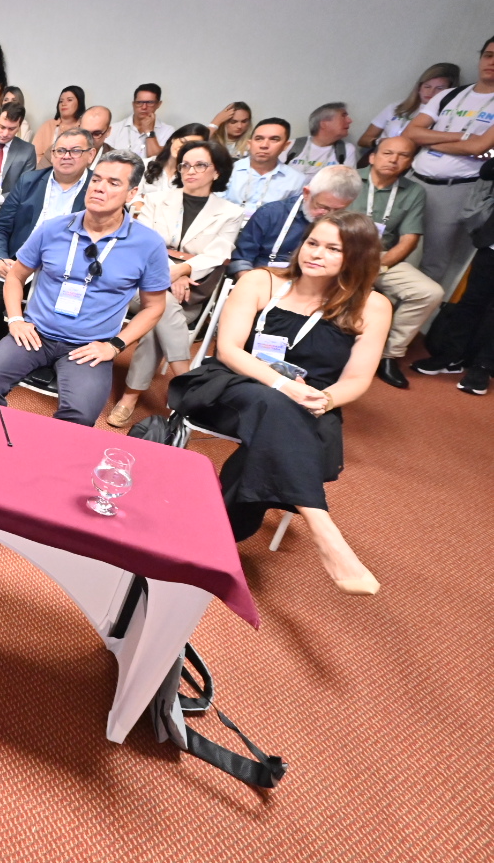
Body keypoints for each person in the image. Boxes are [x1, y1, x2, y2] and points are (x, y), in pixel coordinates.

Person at [167, 211, 390, 595]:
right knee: (271, 403)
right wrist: (284, 386)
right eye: (313, 243)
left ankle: (214, 533)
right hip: (233, 386)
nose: (316, 253)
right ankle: (323, 528)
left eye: (333, 249)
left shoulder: (373, 306)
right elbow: (230, 349)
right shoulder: (260, 281)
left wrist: (326, 398)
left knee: (276, 428)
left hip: (308, 403)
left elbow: (357, 379)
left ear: (357, 256)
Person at [0, 149, 170, 426]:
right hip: (36, 334)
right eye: (96, 179)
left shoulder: (148, 244)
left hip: (88, 347)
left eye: (113, 183)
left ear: (132, 194)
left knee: (80, 415)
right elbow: (15, 277)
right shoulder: (53, 228)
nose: (99, 187)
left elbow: (154, 307)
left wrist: (114, 346)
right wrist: (15, 319)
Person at [107, 140, 245, 427]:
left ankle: (130, 397)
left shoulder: (231, 213)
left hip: (189, 295)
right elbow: (146, 244)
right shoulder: (156, 200)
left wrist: (182, 270)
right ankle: (186, 377)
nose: (190, 171)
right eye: (185, 165)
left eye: (200, 165)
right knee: (161, 305)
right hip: (140, 286)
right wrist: (174, 273)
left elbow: (217, 254)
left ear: (217, 171)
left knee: (157, 318)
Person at [0, 129, 97, 346]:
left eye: (75, 151)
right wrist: (0, 258)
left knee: (64, 315)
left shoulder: (97, 189)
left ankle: (45, 354)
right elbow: (0, 227)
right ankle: (6, 345)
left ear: (91, 155)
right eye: (60, 150)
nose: (66, 156)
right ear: (53, 154)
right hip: (20, 264)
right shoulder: (29, 181)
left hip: (68, 272)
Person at [404, 34, 494, 286]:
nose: (492, 62)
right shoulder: (450, 94)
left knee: (434, 259)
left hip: (456, 188)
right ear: (480, 59)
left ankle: (414, 310)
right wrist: (463, 137)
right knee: (385, 241)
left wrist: (428, 139)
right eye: (488, 55)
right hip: (413, 179)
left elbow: (480, 146)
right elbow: (411, 132)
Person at [358, 137, 442, 389]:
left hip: (382, 259)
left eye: (403, 156)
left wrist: (376, 267)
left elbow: (409, 240)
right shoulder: (347, 178)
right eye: (388, 153)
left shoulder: (414, 191)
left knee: (429, 292)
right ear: (373, 156)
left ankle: (388, 355)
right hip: (340, 253)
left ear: (410, 162)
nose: (394, 160)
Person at [414, 158, 494, 394]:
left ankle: (483, 367)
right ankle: (451, 356)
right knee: (471, 302)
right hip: (491, 245)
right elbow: (487, 171)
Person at [227, 165, 362, 275]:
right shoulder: (271, 214)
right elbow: (241, 261)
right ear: (306, 193)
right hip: (263, 280)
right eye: (322, 207)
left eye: (338, 210)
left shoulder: (350, 228)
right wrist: (250, 286)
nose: (328, 215)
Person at [357, 62, 459, 155]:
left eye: (439, 88)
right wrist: (380, 142)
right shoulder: (396, 106)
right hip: (380, 157)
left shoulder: (447, 115)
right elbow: (363, 140)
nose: (431, 92)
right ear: (419, 87)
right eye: (427, 86)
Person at [224, 117, 304, 219]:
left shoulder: (297, 180)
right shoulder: (228, 170)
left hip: (269, 228)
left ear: (286, 145)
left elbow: (291, 217)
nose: (264, 145)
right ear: (250, 144)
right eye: (259, 139)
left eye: (274, 139)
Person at [137, 123, 212, 202]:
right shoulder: (144, 164)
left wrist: (147, 198)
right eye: (182, 142)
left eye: (190, 146)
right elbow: (133, 198)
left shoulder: (193, 175)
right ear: (173, 138)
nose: (182, 148)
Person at [283, 102, 356, 178]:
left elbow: (349, 181)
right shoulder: (292, 145)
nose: (349, 121)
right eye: (343, 116)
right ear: (324, 123)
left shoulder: (346, 149)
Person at [106, 83, 175, 157]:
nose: (144, 107)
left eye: (150, 102)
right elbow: (106, 158)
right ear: (133, 104)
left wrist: (149, 132)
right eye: (139, 102)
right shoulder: (114, 129)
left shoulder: (168, 131)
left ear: (158, 104)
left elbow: (158, 159)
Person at [32, 85, 86, 164]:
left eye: (69, 100)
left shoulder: (85, 126)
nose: (64, 104)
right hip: (46, 168)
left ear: (79, 103)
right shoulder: (48, 125)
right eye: (61, 101)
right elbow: (35, 154)